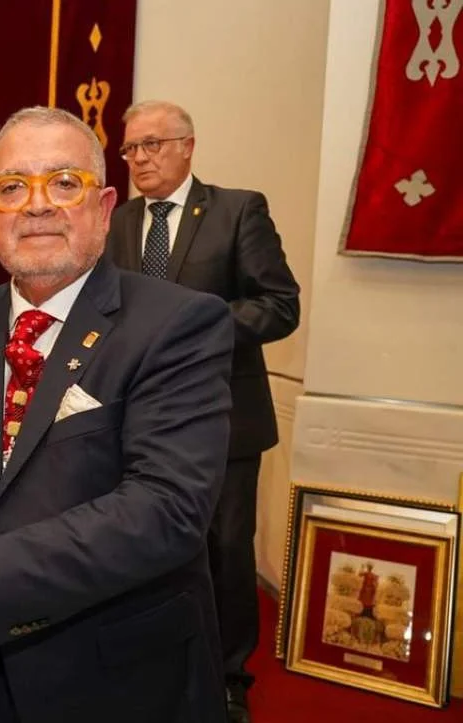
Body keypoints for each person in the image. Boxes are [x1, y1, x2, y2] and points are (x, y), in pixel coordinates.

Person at [0, 106, 235, 722]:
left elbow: (167, 509)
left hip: (112, 680)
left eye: (64, 182)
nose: (37, 205)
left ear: (106, 207)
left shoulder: (179, 323)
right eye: (12, 187)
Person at [106, 99, 300, 723]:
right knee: (140, 540)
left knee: (224, 550)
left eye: (154, 145)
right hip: (136, 418)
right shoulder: (117, 223)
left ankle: (227, 678)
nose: (140, 159)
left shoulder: (238, 209)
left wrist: (196, 327)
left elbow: (280, 305)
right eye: (132, 148)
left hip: (226, 419)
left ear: (189, 146)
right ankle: (153, 657)